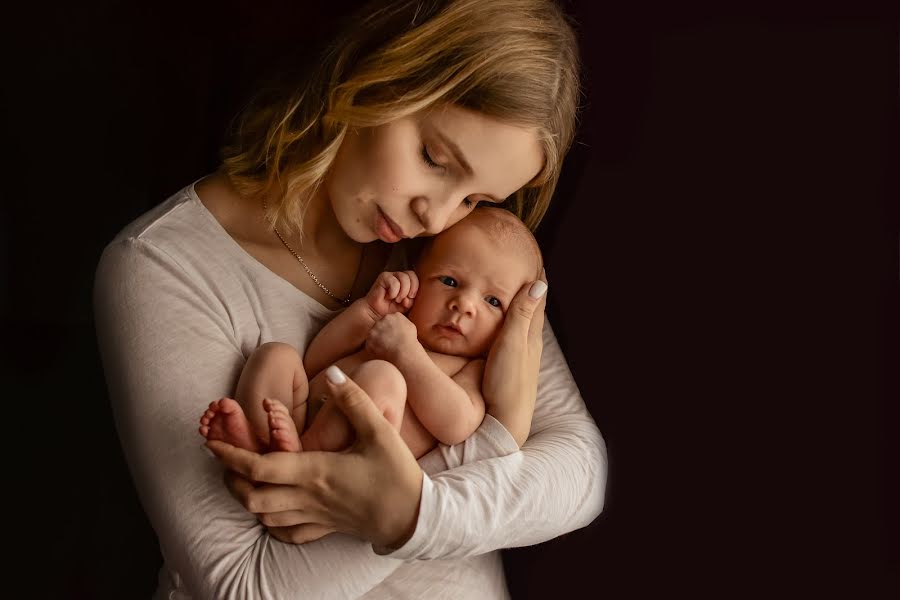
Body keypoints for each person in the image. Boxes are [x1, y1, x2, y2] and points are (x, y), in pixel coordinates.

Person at [94, 0, 607, 597]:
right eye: (434, 160)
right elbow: (245, 585)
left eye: (475, 199)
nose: (436, 216)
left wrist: (413, 515)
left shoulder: (464, 259)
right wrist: (490, 448)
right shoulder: (164, 265)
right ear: (374, 73)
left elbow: (580, 469)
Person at [199, 208, 544, 462]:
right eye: (449, 281)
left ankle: (299, 461)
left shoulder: (469, 368)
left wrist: (406, 354)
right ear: (417, 273)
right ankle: (259, 443)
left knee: (383, 377)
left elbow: (456, 424)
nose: (464, 304)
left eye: (493, 301)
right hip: (302, 414)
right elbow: (316, 362)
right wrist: (368, 312)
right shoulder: (395, 318)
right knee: (276, 356)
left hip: (353, 464)